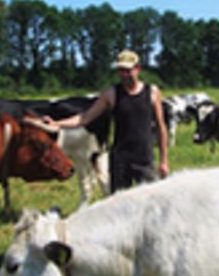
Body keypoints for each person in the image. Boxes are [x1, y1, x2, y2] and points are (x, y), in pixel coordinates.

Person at [43, 49, 169, 193]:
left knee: (150, 200)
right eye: (121, 70)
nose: (124, 75)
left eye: (128, 70)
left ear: (137, 69)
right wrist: (57, 123)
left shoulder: (152, 92)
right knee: (120, 204)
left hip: (145, 158)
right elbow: (85, 118)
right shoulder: (111, 94)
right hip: (120, 160)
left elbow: (161, 126)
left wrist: (164, 161)